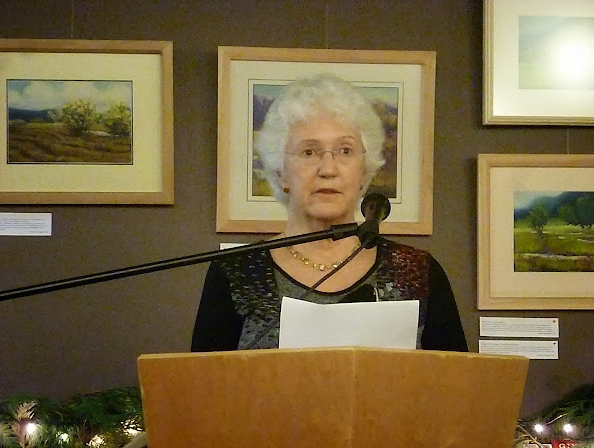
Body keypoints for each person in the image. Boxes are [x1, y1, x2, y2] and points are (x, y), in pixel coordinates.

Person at [192, 74, 467, 352]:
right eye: (309, 152)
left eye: (345, 150)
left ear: (363, 171)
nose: (328, 169)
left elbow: (457, 377)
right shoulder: (236, 272)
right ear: (280, 172)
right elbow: (202, 378)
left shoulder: (418, 271)